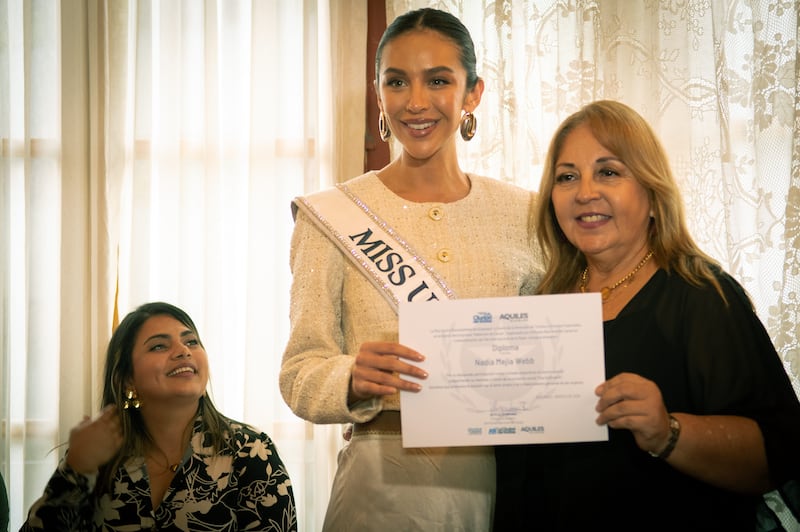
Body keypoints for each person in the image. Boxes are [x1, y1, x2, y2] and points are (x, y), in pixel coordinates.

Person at [280, 7, 543, 531]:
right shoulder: (330, 215)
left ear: (473, 94)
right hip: (381, 489)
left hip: (510, 486)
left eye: (438, 81)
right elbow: (299, 372)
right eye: (397, 82)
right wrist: (352, 377)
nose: (416, 102)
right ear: (379, 94)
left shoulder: (527, 214)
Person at [493, 99, 800, 530]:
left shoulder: (704, 295)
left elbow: (777, 455)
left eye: (609, 171)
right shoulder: (539, 304)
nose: (584, 192)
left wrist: (667, 431)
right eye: (567, 177)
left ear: (653, 196)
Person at [21, 301, 297, 531]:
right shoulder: (95, 453)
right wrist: (76, 468)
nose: (183, 351)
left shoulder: (251, 452)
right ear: (127, 378)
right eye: (158, 346)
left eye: (191, 341)